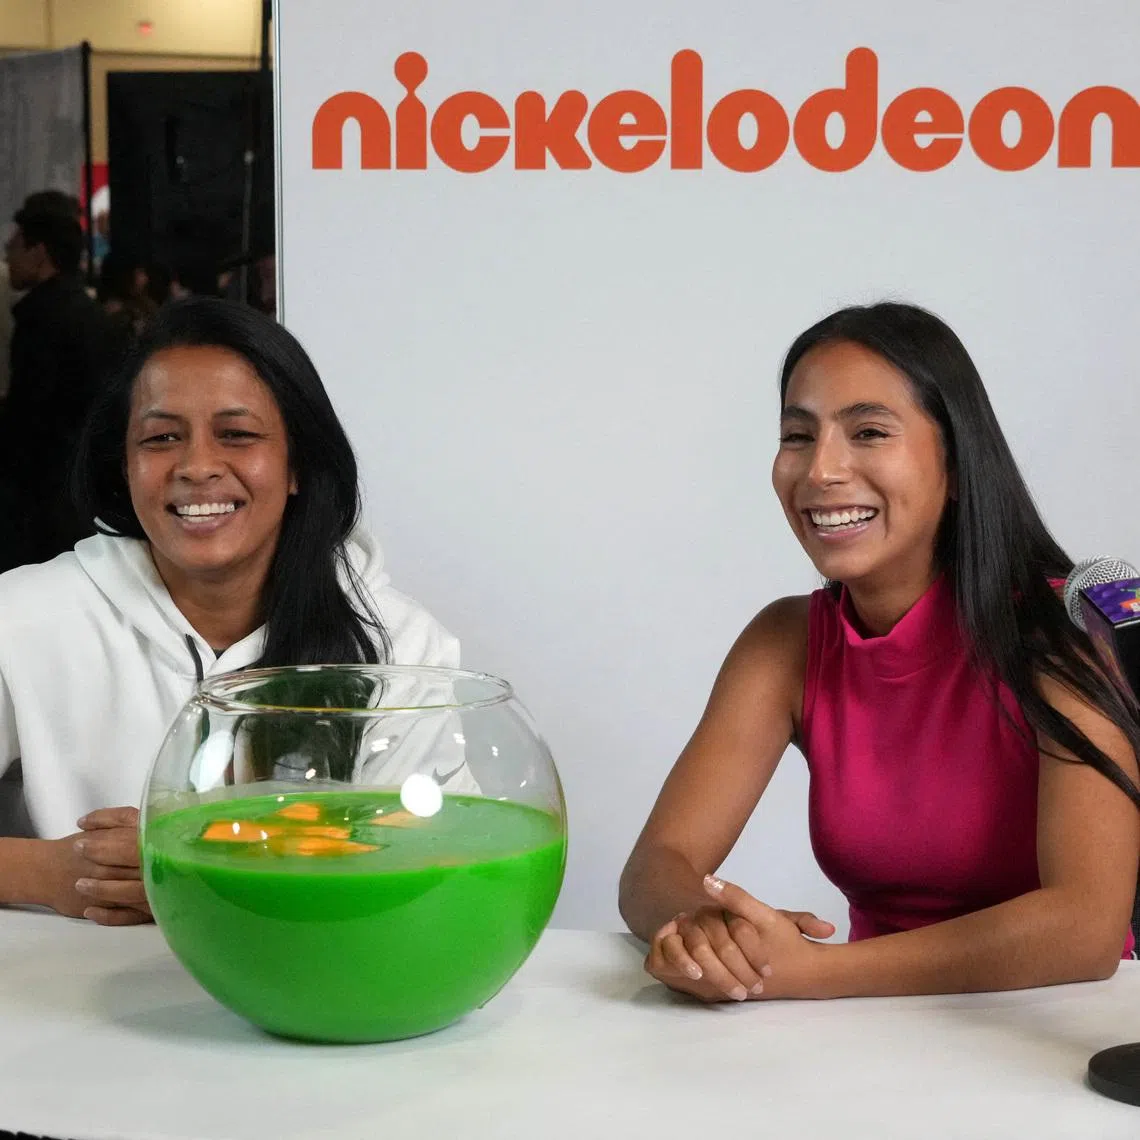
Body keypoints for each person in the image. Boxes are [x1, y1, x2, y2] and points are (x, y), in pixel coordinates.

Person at [619, 302, 1140, 1002]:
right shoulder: (785, 643)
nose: (822, 471)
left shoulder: (1066, 629)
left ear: (954, 460)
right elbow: (656, 864)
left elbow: (1085, 928)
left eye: (868, 432)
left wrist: (804, 973)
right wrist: (712, 934)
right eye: (797, 436)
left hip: (1055, 1032)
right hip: (872, 1034)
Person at [0, 298, 461, 925]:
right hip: (64, 999)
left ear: (298, 464)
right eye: (161, 438)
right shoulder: (23, 617)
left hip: (312, 990)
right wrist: (50, 873)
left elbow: (440, 861)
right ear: (125, 465)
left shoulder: (401, 645)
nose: (195, 467)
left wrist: (232, 868)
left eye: (237, 435)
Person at [1, 202, 125, 570]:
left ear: (39, 252)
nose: (8, 256)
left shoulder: (42, 319)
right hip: (85, 494)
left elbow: (31, 418)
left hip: (47, 500)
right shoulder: (90, 313)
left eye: (14, 246)